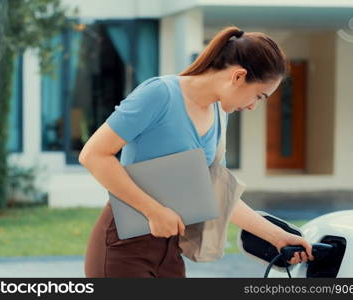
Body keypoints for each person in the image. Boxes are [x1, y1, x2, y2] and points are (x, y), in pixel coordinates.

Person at [80, 26, 315, 278]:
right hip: (123, 246)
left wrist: (278, 237)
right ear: (238, 76)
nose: (253, 106)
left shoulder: (219, 116)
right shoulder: (160, 94)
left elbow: (215, 194)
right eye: (258, 96)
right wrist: (153, 210)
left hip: (169, 250)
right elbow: (93, 155)